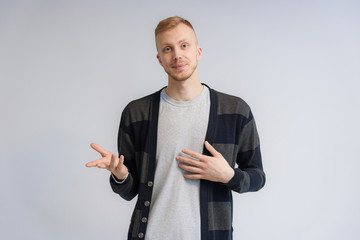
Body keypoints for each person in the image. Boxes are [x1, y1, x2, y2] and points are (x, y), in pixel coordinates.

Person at [86, 16, 265, 240]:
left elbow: (257, 177)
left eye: (184, 45)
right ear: (160, 59)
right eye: (168, 48)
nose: (177, 55)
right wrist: (121, 176)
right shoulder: (137, 113)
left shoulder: (235, 111)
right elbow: (130, 191)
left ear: (198, 52)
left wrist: (229, 175)